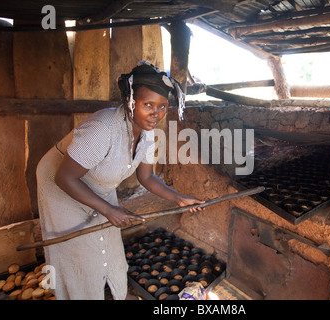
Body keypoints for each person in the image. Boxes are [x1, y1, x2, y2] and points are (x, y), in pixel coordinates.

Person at [36, 60, 204, 300]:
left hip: (96, 184)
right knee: (78, 251)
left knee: (107, 243)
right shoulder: (102, 129)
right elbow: (64, 177)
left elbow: (146, 176)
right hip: (60, 183)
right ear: (130, 101)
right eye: (148, 104)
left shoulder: (147, 134)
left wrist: (178, 198)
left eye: (162, 106)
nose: (156, 113)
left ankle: (108, 289)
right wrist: (108, 209)